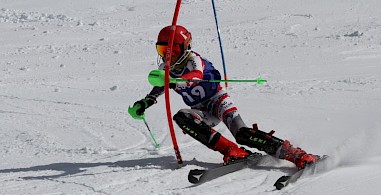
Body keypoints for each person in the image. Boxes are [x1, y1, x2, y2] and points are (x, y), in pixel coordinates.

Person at [128, 25, 318, 169]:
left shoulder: (194, 59)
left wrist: (175, 81)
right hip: (202, 111)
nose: (167, 57)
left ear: (184, 47)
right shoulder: (166, 68)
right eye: (162, 51)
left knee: (242, 134)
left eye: (172, 51)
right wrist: (146, 102)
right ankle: (232, 151)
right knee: (182, 117)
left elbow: (196, 76)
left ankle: (296, 155)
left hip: (218, 101)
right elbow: (159, 87)